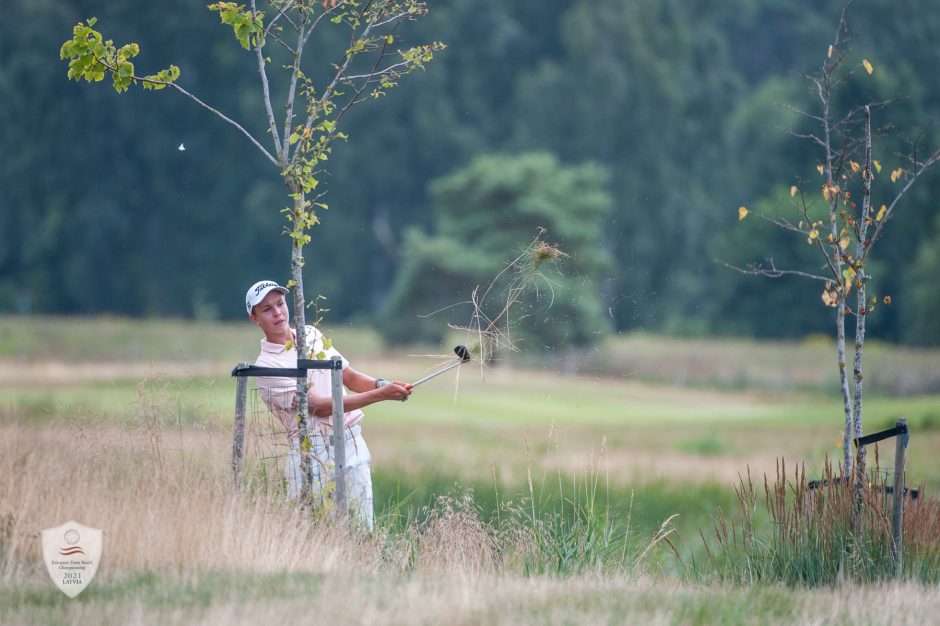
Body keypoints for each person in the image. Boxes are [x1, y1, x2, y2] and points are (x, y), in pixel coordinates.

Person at [245, 279, 412, 530]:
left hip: (351, 442)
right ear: (254, 318)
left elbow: (350, 377)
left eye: (279, 304)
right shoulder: (266, 366)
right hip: (311, 450)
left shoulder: (311, 334)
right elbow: (318, 407)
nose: (277, 312)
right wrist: (381, 395)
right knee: (312, 531)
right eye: (267, 309)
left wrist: (382, 385)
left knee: (361, 530)